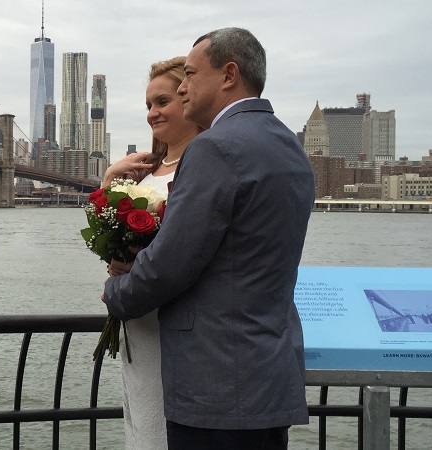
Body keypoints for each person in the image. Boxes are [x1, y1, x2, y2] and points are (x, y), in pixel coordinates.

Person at [102, 27, 314, 450]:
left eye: (192, 75)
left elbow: (168, 265)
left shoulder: (215, 147)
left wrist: (116, 292)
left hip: (214, 385)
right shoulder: (288, 145)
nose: (183, 86)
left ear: (229, 75)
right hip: (269, 377)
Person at [101, 56, 200, 450]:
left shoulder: (202, 166)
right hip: (135, 321)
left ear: (188, 97)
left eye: (163, 102)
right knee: (140, 422)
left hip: (169, 323)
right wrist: (110, 180)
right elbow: (107, 233)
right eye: (148, 105)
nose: (153, 114)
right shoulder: (146, 170)